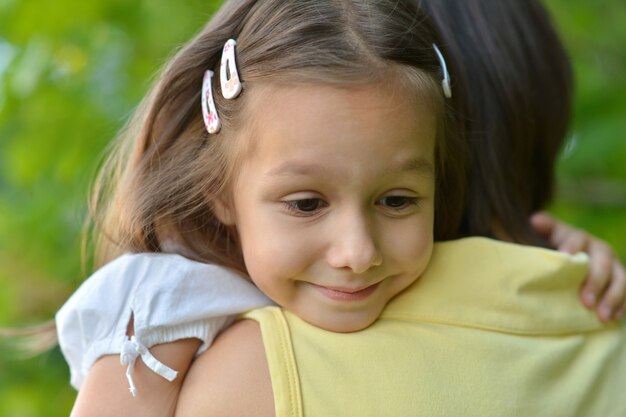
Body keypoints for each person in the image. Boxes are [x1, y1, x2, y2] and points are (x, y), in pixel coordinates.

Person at [56, 0, 625, 416]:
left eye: (397, 200)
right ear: (220, 194)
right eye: (305, 203)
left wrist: (552, 251)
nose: (357, 252)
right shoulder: (165, 310)